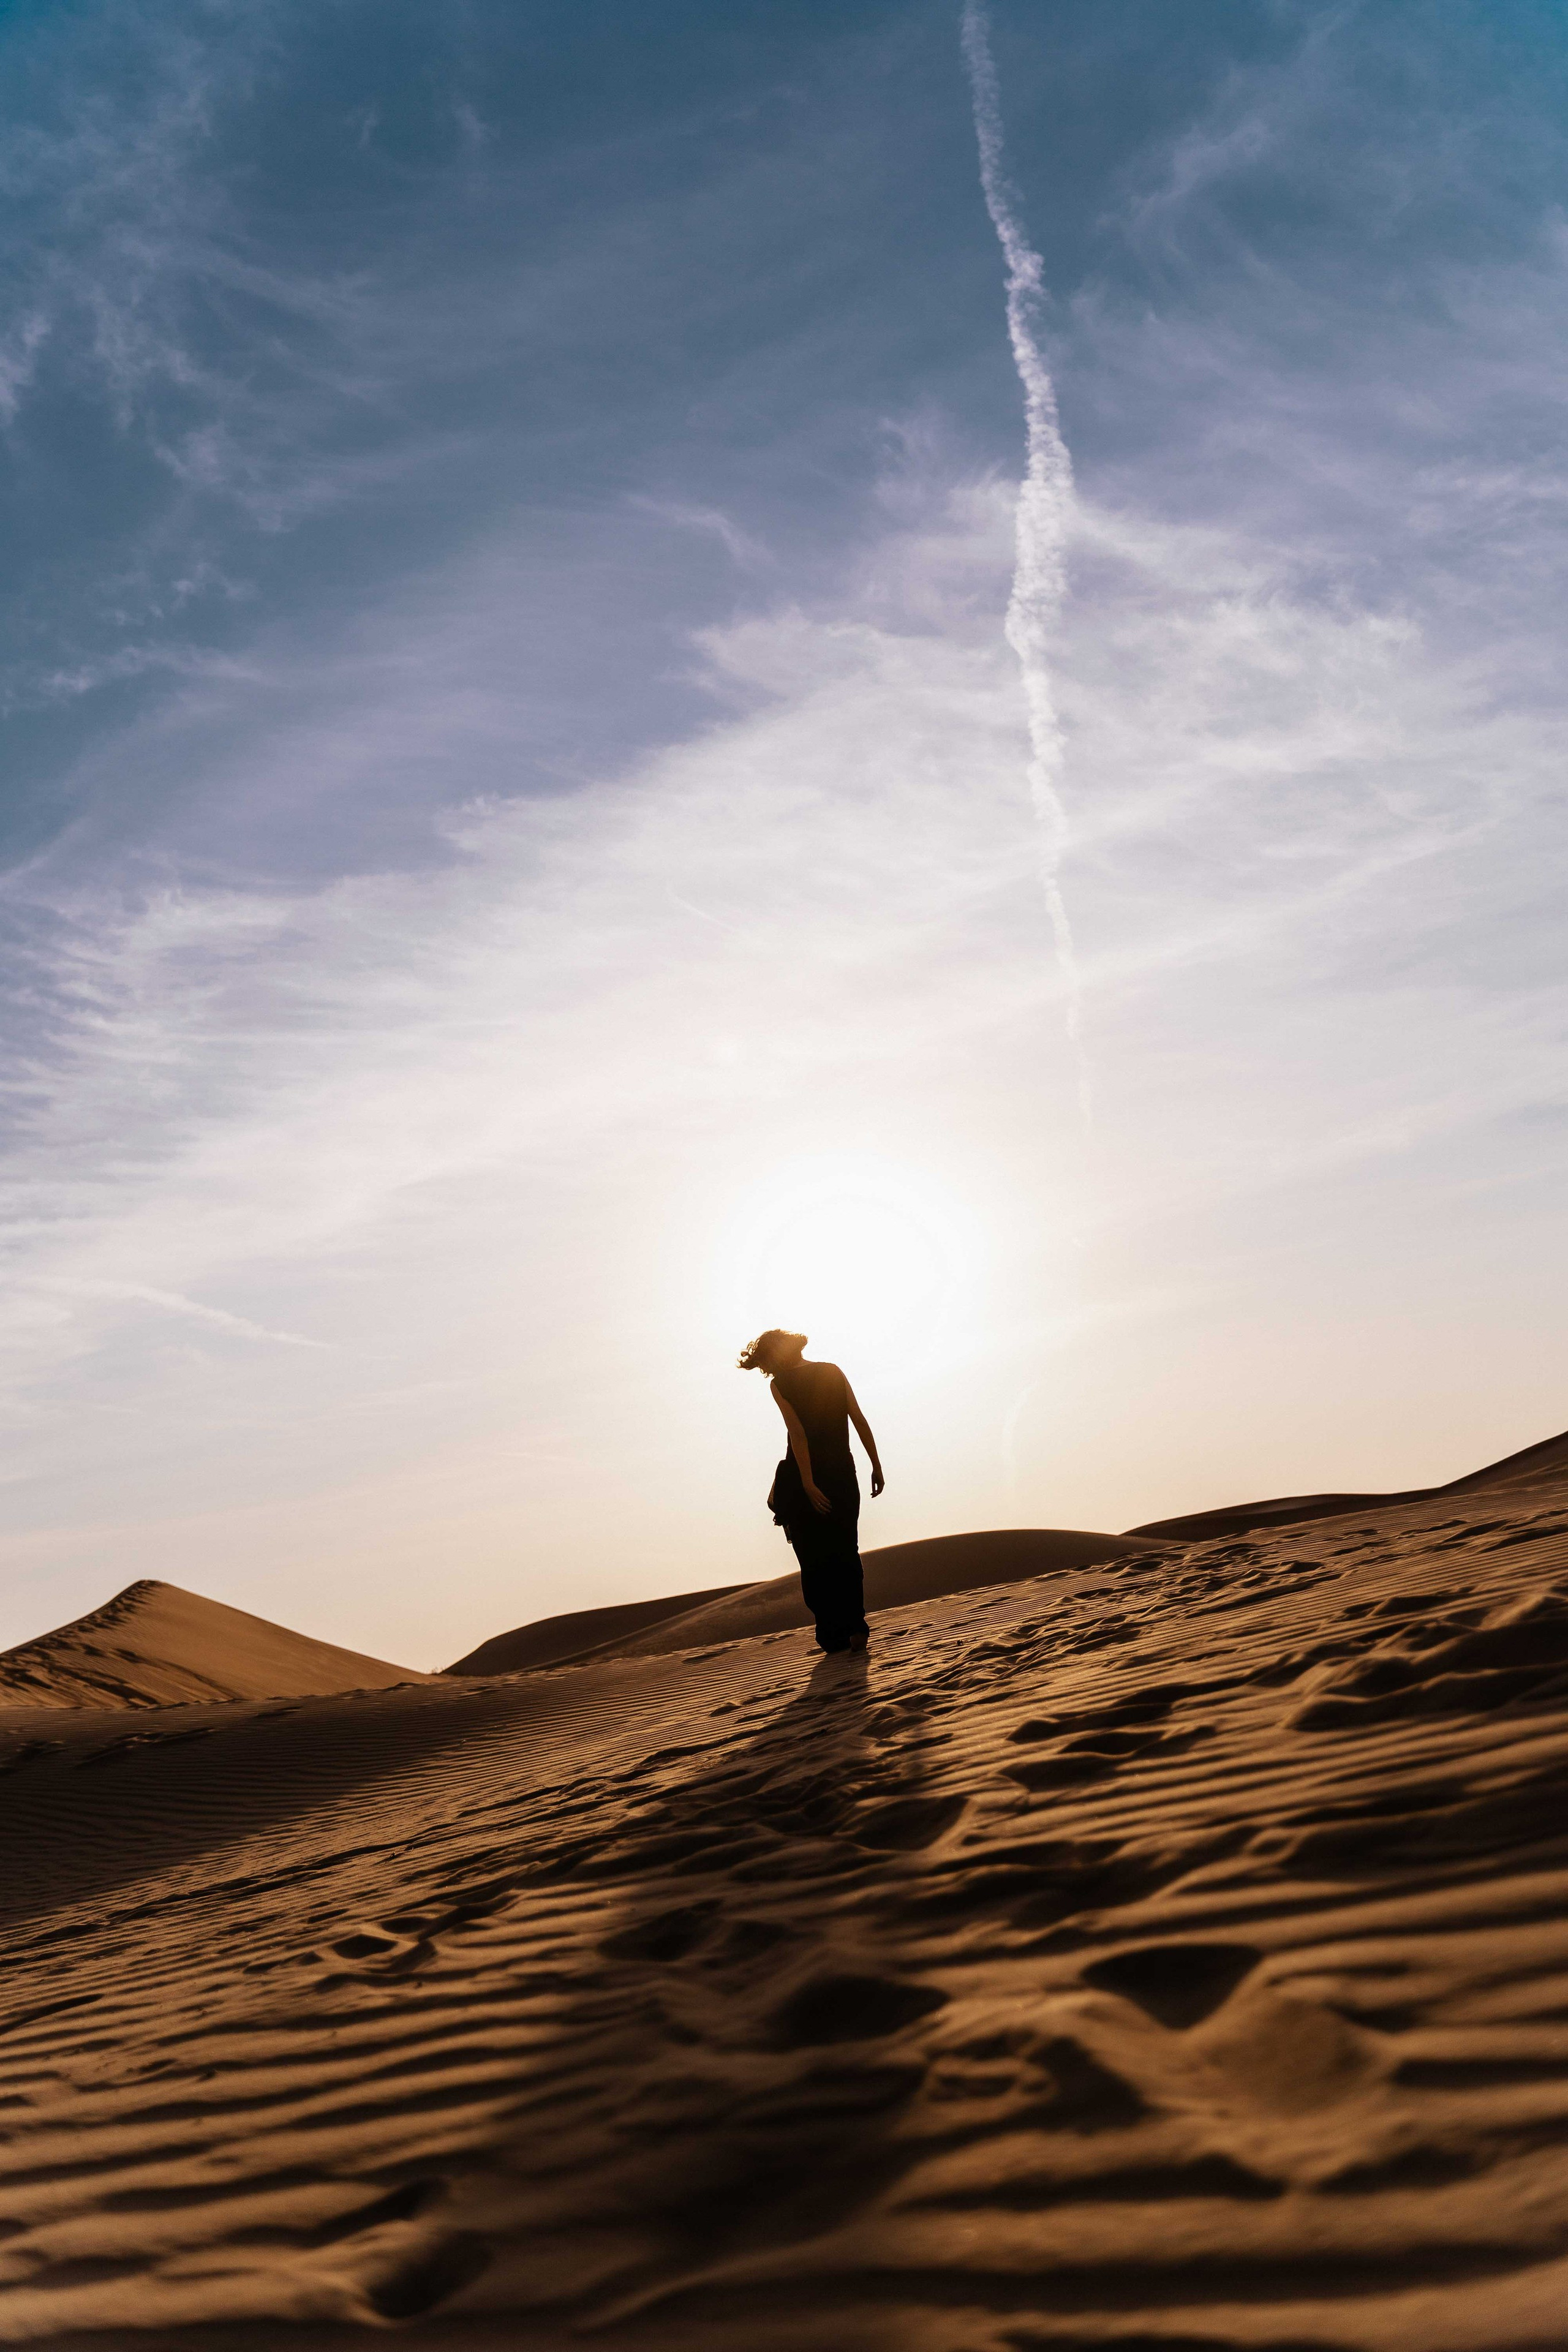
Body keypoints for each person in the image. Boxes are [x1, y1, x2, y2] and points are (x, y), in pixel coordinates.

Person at [737, 1328, 884, 1654]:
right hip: (844, 1473)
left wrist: (807, 1483)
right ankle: (857, 1627)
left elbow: (798, 1435)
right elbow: (858, 1418)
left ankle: (833, 1634)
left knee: (814, 1556)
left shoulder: (781, 1385)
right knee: (847, 1548)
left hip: (806, 1477)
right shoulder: (832, 1371)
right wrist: (876, 1464)